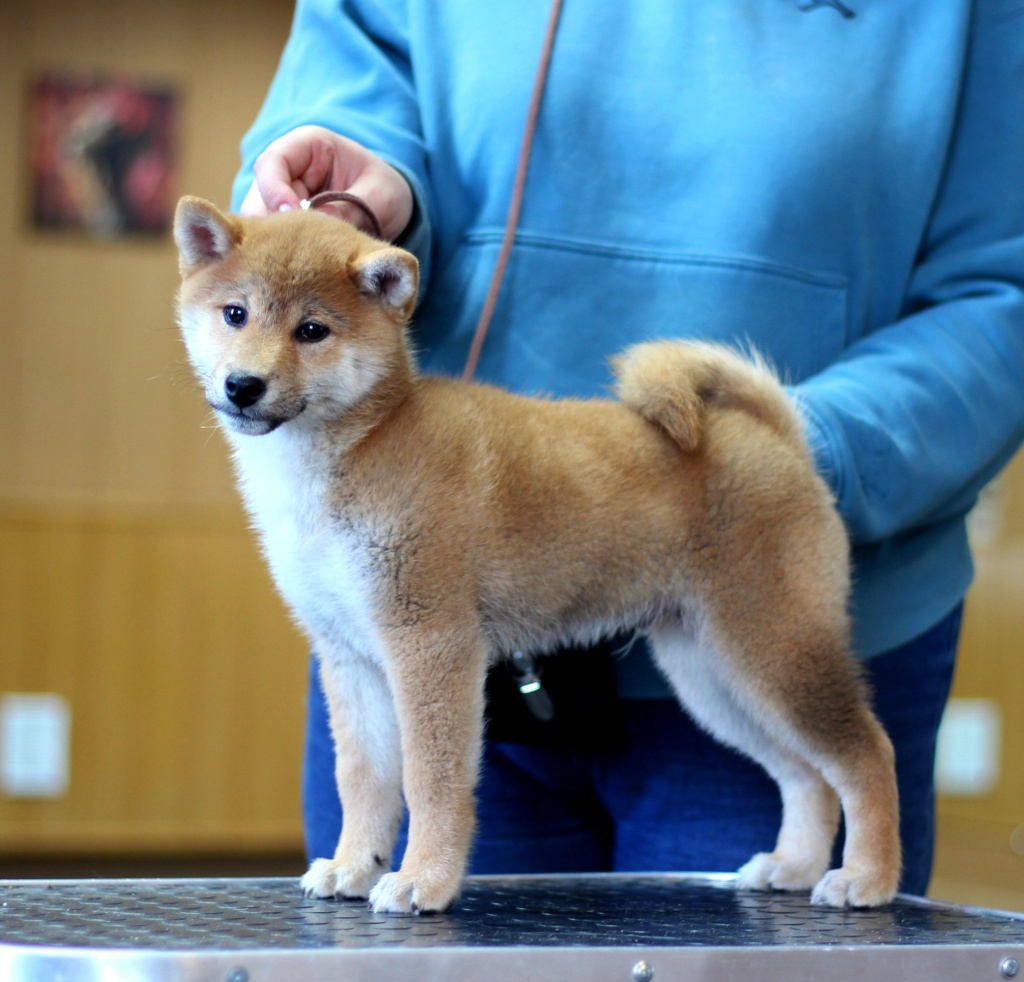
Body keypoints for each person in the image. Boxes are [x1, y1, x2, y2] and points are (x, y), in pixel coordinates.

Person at [232, 0, 1024, 897]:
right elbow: (349, 86)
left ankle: (850, 835)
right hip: (449, 562)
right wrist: (362, 196)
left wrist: (799, 459)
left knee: (800, 749)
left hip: (747, 514)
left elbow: (1004, 286)